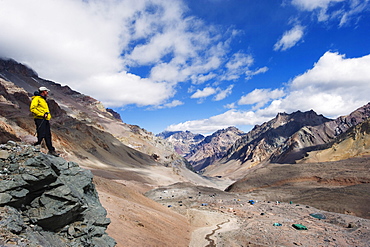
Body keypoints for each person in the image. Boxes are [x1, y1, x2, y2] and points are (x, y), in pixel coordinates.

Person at [30, 86, 59, 156]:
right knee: (41, 133)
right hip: (40, 119)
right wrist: (42, 114)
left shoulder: (43, 99)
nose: (47, 92)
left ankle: (51, 150)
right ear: (43, 92)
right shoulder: (36, 99)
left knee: (48, 135)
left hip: (45, 119)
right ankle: (36, 147)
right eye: (46, 91)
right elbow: (32, 108)